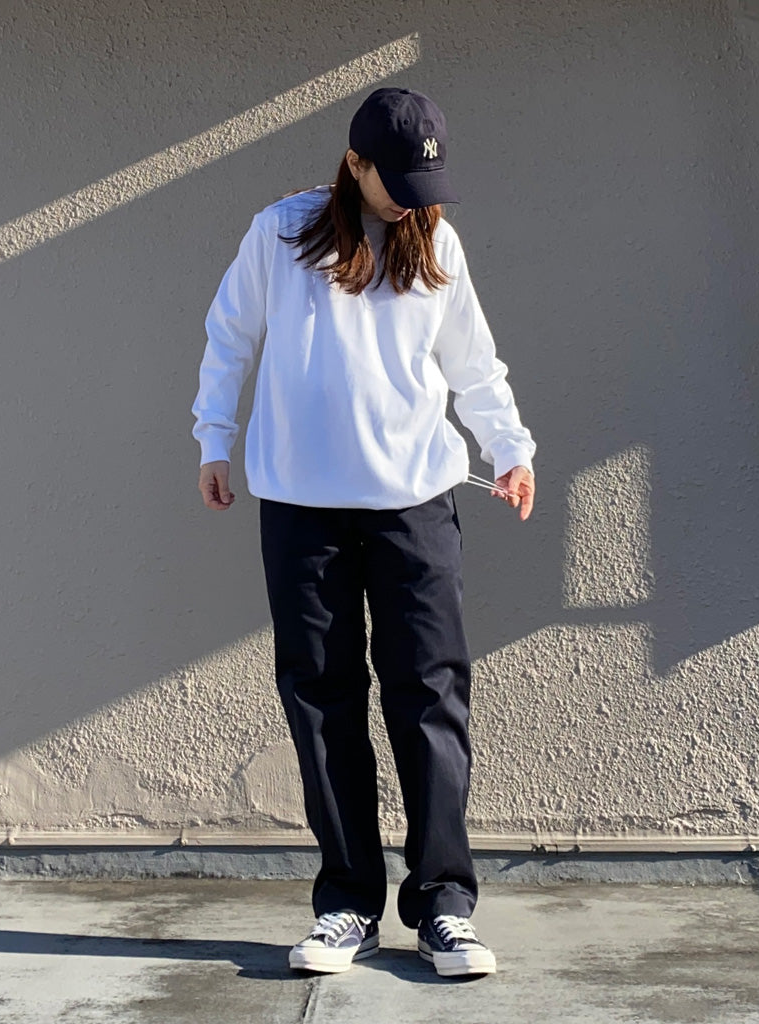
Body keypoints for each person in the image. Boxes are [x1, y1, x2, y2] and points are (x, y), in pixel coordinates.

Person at [191, 87, 536, 978]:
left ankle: (444, 904)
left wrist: (509, 448)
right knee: (322, 699)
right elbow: (230, 336)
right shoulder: (280, 233)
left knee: (430, 693)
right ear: (354, 163)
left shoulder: (436, 241)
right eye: (399, 183)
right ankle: (347, 902)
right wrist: (213, 439)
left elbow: (473, 361)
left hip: (415, 501)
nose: (414, 202)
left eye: (427, 184)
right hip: (300, 503)